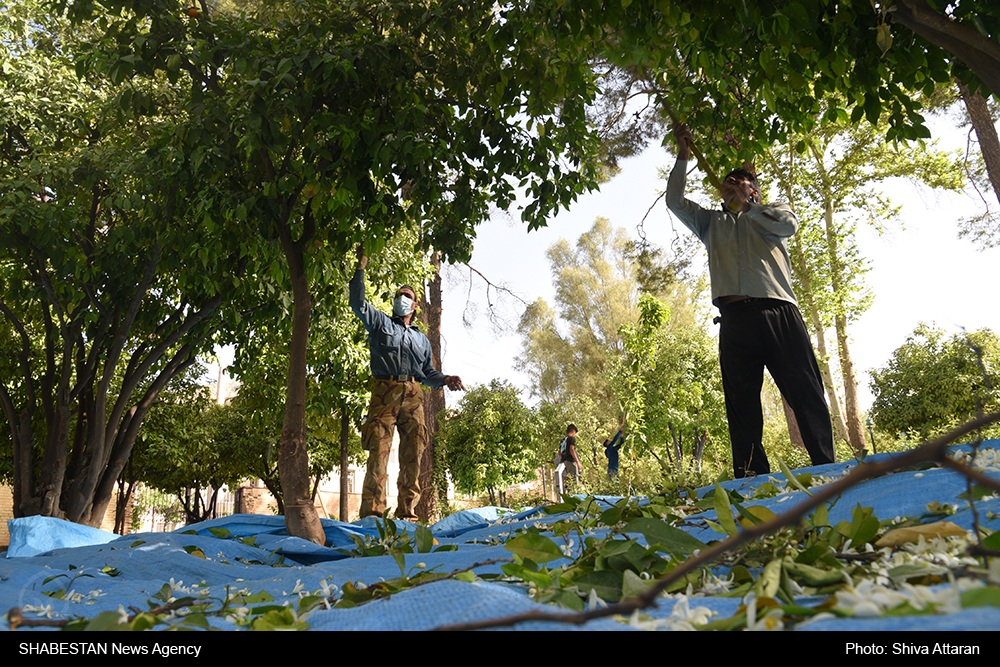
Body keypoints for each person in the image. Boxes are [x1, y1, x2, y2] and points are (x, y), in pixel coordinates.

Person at [666, 123, 835, 478]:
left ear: (754, 190)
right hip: (734, 321)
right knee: (741, 404)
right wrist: (683, 153)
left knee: (805, 391)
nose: (729, 187)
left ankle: (828, 468)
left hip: (779, 313)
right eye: (726, 184)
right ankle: (751, 477)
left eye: (737, 183)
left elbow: (789, 226)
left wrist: (750, 206)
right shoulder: (711, 223)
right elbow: (674, 201)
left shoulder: (772, 214)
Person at [350, 245, 465, 519]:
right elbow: (357, 304)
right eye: (399, 295)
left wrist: (447, 379)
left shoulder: (421, 340)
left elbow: (428, 373)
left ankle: (408, 514)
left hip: (414, 397)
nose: (401, 298)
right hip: (384, 392)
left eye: (407, 296)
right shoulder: (380, 324)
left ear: (415, 305)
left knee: (414, 453)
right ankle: (372, 516)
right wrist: (359, 270)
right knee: (378, 452)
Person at [555, 424, 582, 500]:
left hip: (564, 462)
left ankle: (569, 496)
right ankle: (575, 498)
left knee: (568, 480)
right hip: (571, 461)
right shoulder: (571, 439)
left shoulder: (563, 440)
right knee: (574, 480)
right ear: (573, 432)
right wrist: (578, 462)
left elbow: (560, 452)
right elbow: (572, 449)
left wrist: (564, 457)